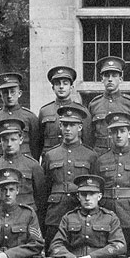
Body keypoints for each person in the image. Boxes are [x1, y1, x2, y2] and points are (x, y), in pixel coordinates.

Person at [92, 111, 130, 249]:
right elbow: (97, 189)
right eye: (114, 132)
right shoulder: (101, 160)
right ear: (110, 134)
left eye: (122, 131)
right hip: (106, 213)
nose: (118, 135)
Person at [41, 104, 97, 248]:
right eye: (64, 124)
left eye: (72, 125)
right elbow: (44, 188)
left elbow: (96, 188)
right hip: (55, 214)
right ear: (60, 126)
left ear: (80, 127)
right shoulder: (50, 155)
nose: (67, 129)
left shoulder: (90, 155)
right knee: (52, 254)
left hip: (81, 212)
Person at [0, 118, 47, 217]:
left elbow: (41, 199)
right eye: (5, 140)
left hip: (27, 219)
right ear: (0, 141)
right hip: (0, 220)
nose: (9, 144)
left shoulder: (33, 165)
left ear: (21, 140)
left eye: (13, 139)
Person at [87, 56, 130, 155]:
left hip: (124, 156)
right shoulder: (94, 104)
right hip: (99, 156)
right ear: (101, 79)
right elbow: (88, 137)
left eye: (114, 76)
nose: (110, 79)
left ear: (120, 79)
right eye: (106, 76)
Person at [0, 72, 40, 162]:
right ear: (0, 95)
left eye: (12, 92)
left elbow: (36, 147)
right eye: (5, 92)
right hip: (0, 166)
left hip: (24, 165)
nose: (9, 96)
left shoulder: (30, 117)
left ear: (20, 93)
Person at [38, 66, 87, 156]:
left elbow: (87, 141)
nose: (61, 87)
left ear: (71, 87)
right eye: (57, 84)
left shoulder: (81, 110)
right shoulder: (45, 111)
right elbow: (39, 143)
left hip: (75, 158)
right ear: (53, 88)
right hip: (50, 160)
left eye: (65, 83)